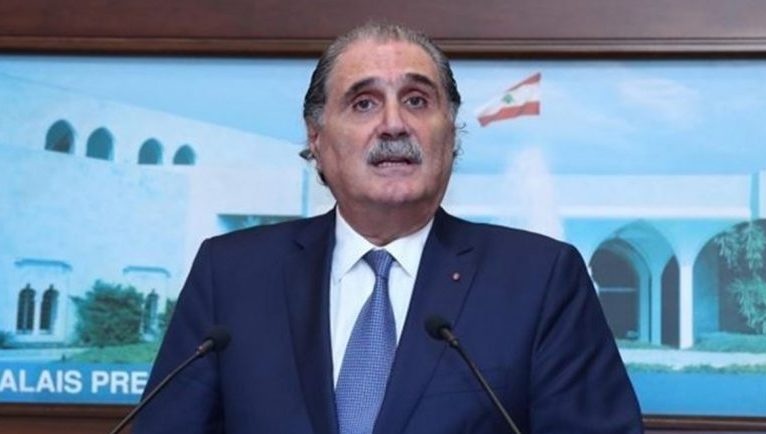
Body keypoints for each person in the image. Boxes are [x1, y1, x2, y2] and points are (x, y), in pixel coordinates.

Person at [133, 22, 643, 434]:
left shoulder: (541, 278)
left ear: (451, 134)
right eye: (364, 103)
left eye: (417, 100)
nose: (394, 124)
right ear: (317, 138)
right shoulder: (232, 274)